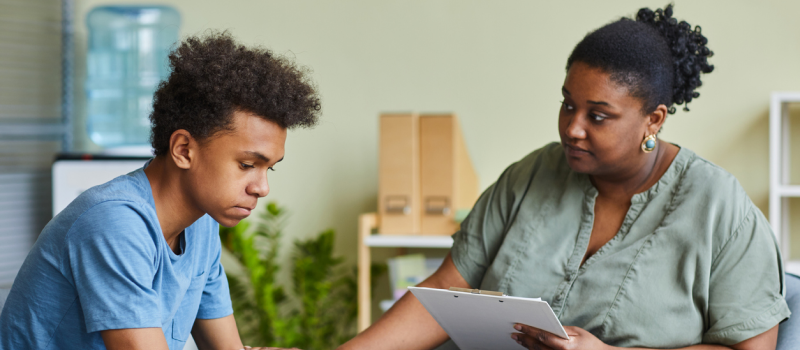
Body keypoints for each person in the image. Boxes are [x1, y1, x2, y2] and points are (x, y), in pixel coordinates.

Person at [340, 5, 790, 350]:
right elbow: (444, 292)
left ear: (653, 120)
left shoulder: (718, 207)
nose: (572, 128)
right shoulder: (530, 175)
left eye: (598, 115)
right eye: (567, 104)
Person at [0, 32, 320, 350]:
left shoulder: (202, 225)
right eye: (247, 164)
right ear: (183, 149)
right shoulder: (115, 223)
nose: (262, 188)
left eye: (270, 168)